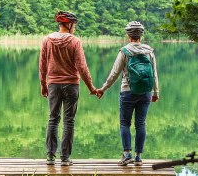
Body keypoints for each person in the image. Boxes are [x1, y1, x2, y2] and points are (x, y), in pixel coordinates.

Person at [39, 11, 100, 166]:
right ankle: (65, 158)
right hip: (72, 85)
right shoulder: (75, 41)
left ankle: (50, 157)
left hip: (53, 84)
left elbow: (42, 64)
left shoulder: (47, 40)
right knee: (69, 121)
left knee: (53, 118)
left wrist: (43, 84)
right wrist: (91, 87)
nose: (75, 28)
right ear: (69, 24)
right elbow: (82, 66)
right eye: (74, 25)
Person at [97, 21, 159, 166]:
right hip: (146, 92)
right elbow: (154, 74)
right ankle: (138, 157)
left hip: (127, 91)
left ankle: (127, 155)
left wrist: (103, 89)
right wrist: (155, 92)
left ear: (128, 35)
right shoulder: (149, 51)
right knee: (141, 124)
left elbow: (114, 74)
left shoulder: (125, 51)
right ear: (141, 36)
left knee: (125, 123)